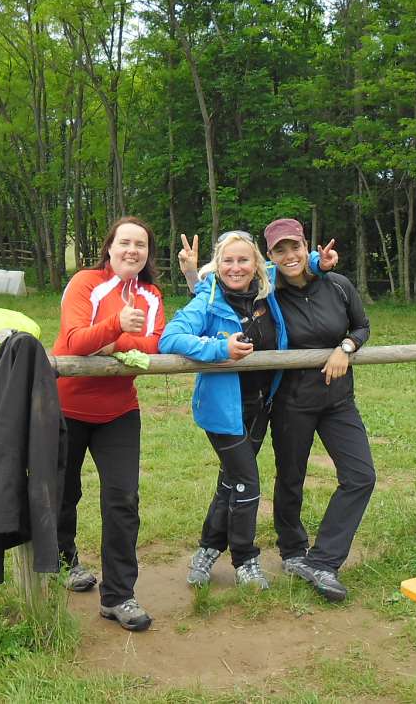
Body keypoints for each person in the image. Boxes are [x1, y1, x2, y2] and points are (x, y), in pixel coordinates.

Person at [53, 216, 166, 631]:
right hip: (65, 406)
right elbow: (73, 341)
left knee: (123, 499)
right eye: (125, 242)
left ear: (148, 254)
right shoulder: (86, 283)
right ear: (110, 247)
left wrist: (107, 341)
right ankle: (64, 562)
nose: (132, 250)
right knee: (63, 492)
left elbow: (155, 346)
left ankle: (118, 595)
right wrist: (117, 326)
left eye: (141, 244)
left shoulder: (151, 295)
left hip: (119, 411)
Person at [159, 231, 283, 590]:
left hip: (261, 407)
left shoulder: (267, 289)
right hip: (222, 411)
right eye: (228, 260)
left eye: (243, 260)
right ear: (217, 264)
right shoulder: (208, 299)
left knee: (231, 481)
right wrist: (220, 349)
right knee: (247, 483)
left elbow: (295, 263)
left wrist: (320, 263)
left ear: (257, 264)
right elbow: (170, 338)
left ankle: (208, 550)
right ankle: (245, 560)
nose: (236, 267)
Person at [265, 218, 374, 603]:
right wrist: (191, 273)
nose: (289, 256)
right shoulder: (268, 292)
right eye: (279, 250)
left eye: (294, 247)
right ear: (270, 256)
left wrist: (346, 348)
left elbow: (362, 326)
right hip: (291, 403)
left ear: (305, 245)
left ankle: (323, 560)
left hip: (338, 401)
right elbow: (227, 280)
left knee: (361, 476)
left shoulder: (338, 285)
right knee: (291, 478)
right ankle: (293, 551)